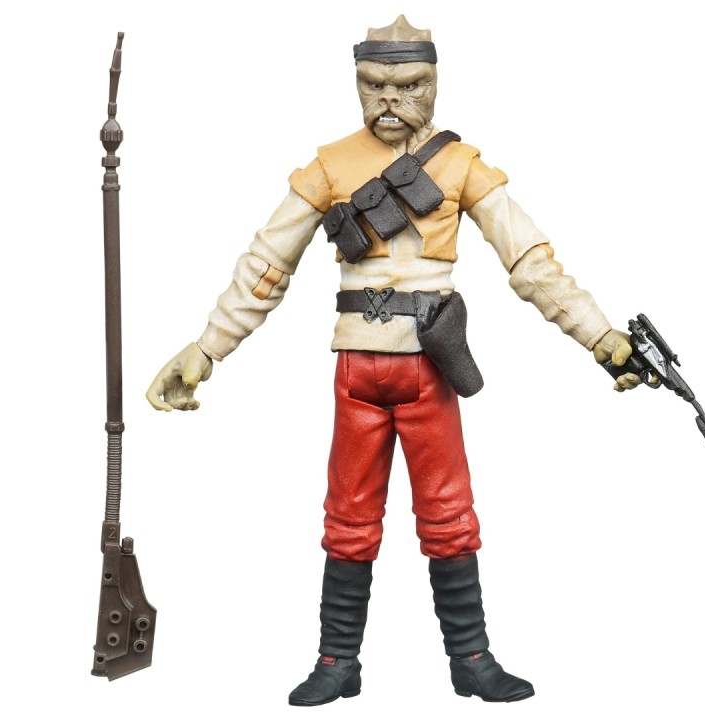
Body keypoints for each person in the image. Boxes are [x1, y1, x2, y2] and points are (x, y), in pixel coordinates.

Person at [147, 16, 641, 706]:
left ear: (433, 85)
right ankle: (336, 661)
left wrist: (600, 336)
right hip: (358, 368)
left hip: (430, 364)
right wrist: (207, 348)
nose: (390, 99)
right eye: (374, 84)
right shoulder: (330, 165)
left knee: (449, 513)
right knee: (347, 517)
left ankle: (471, 659)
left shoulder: (461, 165)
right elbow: (267, 262)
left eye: (409, 85)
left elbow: (530, 260)